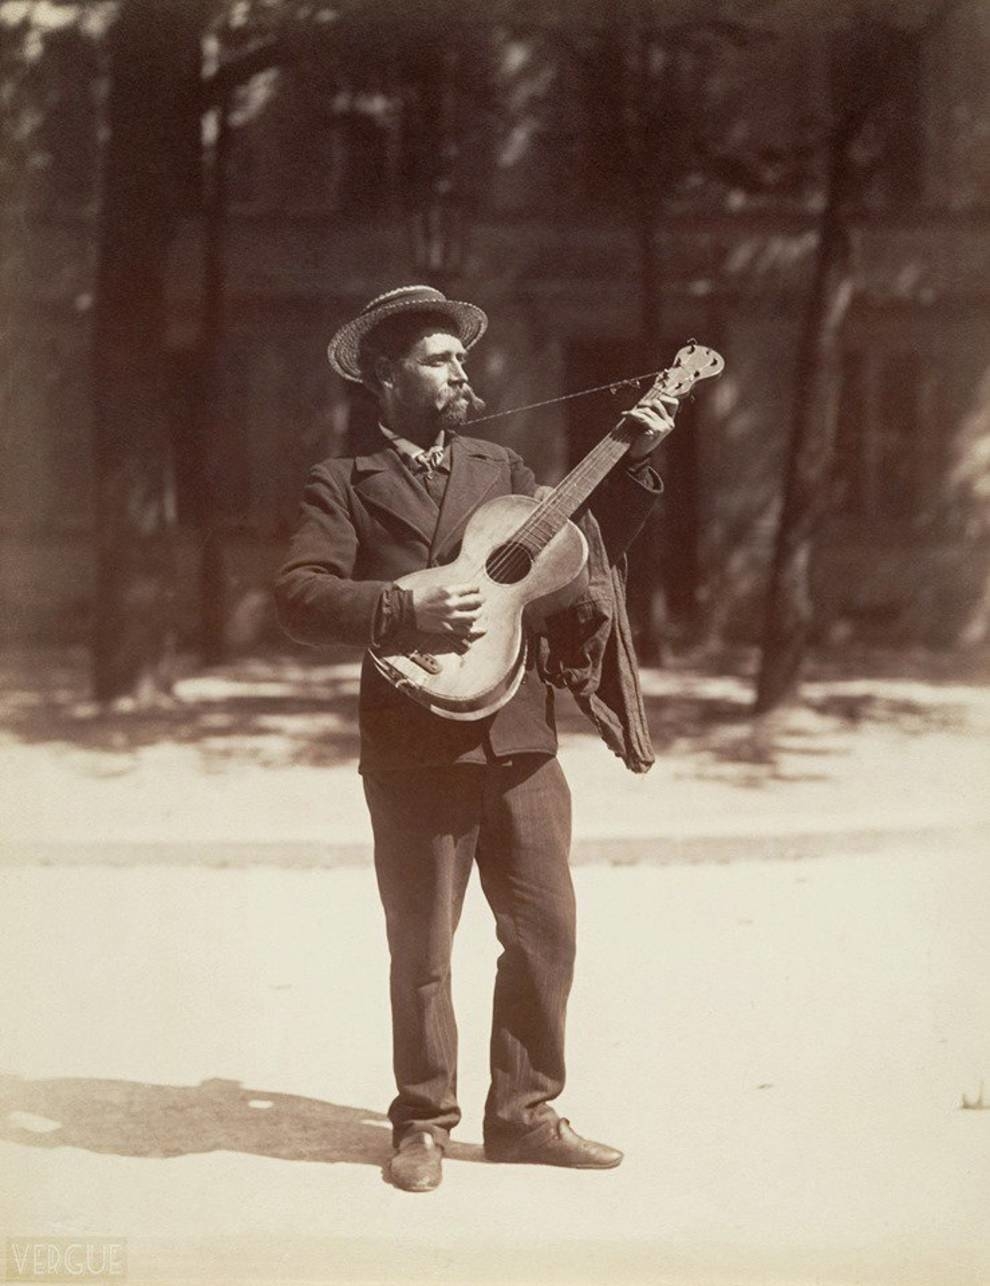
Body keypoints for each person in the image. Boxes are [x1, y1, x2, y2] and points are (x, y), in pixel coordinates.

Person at [274, 285, 673, 1192]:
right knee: (422, 946)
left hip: (522, 734)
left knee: (546, 931)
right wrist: (397, 606)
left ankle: (526, 1115)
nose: (461, 371)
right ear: (386, 374)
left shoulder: (505, 467)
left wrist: (636, 464)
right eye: (438, 358)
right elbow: (297, 595)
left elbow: (578, 562)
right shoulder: (343, 481)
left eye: (462, 358)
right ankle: (422, 1122)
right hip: (414, 740)